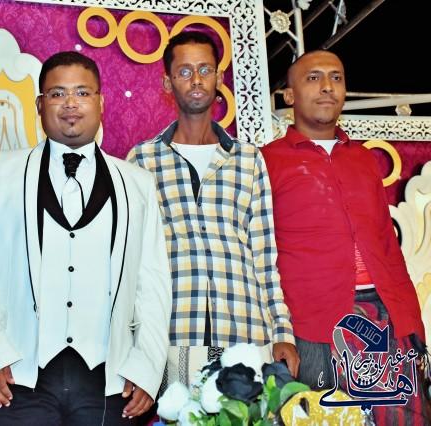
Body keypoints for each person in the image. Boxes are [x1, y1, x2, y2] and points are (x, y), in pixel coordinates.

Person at [0, 51, 171, 425]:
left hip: (110, 383)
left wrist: (147, 367)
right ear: (40, 105)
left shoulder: (137, 183)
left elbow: (152, 284)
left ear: (101, 103)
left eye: (82, 93)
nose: (70, 104)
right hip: (16, 378)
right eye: (57, 94)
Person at [261, 50, 429, 423]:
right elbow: (257, 254)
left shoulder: (363, 159)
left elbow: (387, 244)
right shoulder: (265, 161)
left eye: (336, 78)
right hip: (312, 323)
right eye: (313, 78)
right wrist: (277, 332)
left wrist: (412, 322)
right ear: (289, 95)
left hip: (385, 315)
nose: (327, 87)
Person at [126, 31, 298, 388]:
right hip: (174, 331)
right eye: (184, 71)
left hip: (245, 328)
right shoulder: (142, 160)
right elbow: (133, 261)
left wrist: (282, 331)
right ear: (168, 82)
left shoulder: (248, 159)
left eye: (205, 69)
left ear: (219, 78)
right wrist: (134, 341)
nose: (196, 80)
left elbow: (264, 255)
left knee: (245, 413)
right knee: (178, 413)